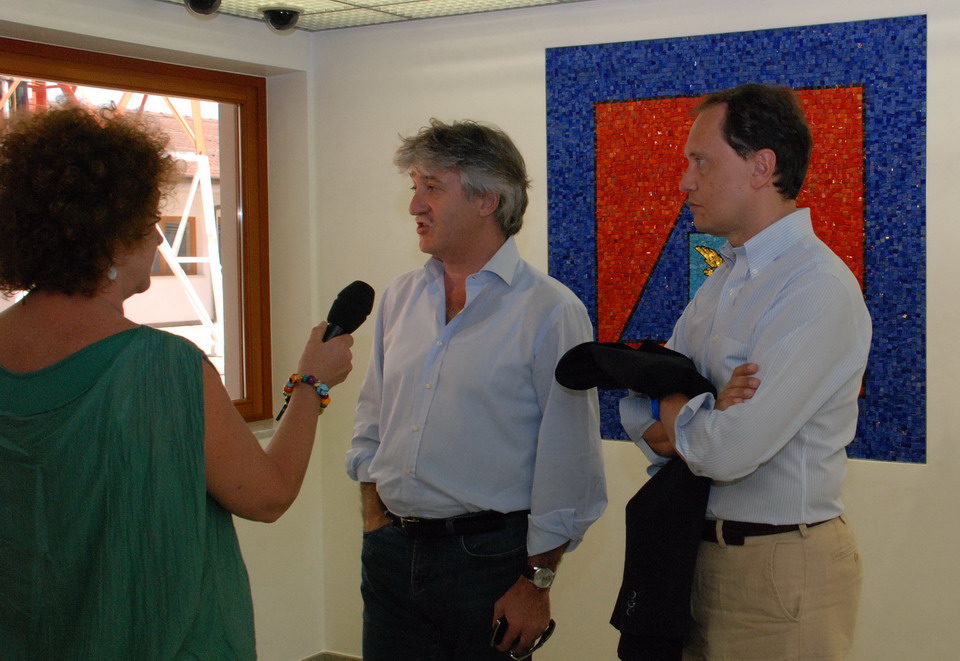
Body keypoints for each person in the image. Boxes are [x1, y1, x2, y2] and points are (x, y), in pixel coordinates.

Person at [0, 106, 354, 659]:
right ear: (109, 240)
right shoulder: (161, 367)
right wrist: (313, 383)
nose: (157, 239)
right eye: (149, 221)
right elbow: (267, 496)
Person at [619, 83, 871, 660]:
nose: (685, 182)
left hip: (779, 573)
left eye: (701, 162)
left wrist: (682, 408)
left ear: (762, 167)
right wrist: (705, 411)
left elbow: (727, 452)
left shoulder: (815, 289)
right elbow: (636, 408)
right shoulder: (724, 280)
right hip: (694, 560)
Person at [346, 118, 607, 660]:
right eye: (414, 186)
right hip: (392, 554)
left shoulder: (551, 310)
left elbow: (570, 462)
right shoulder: (400, 297)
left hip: (489, 564)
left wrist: (537, 582)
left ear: (489, 199)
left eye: (432, 187)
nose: (415, 205)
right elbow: (372, 417)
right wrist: (374, 518)